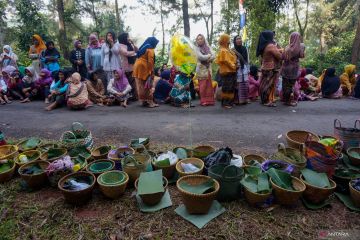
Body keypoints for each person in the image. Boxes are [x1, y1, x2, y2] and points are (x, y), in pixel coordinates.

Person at [256, 30, 283, 107]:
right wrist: (283, 52)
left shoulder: (265, 45)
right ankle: (267, 101)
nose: (273, 37)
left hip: (265, 67)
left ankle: (264, 100)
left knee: (264, 83)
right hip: (270, 68)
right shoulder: (271, 46)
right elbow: (279, 56)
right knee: (268, 85)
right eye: (272, 35)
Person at [133, 37, 159, 108]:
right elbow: (150, 61)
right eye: (156, 44)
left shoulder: (143, 47)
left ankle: (143, 101)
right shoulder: (150, 49)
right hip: (144, 67)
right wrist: (151, 71)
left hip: (137, 66)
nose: (156, 45)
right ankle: (150, 102)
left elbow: (137, 53)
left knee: (140, 85)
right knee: (148, 84)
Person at [281, 32, 305, 106]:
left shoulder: (287, 47)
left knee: (285, 85)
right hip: (294, 69)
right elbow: (302, 56)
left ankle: (286, 100)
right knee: (291, 85)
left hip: (286, 68)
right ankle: (289, 101)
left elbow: (282, 57)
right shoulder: (300, 47)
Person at [215, 34, 237, 109]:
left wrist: (234, 65)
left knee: (231, 87)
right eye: (227, 39)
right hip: (226, 72)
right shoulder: (223, 50)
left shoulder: (228, 50)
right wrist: (234, 66)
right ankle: (225, 103)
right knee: (227, 87)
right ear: (224, 40)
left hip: (231, 71)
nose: (229, 41)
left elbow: (232, 59)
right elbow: (227, 61)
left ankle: (230, 102)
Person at [194, 34, 215, 106]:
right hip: (201, 69)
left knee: (209, 85)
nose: (199, 40)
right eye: (198, 39)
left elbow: (214, 55)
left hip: (208, 68)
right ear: (196, 41)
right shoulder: (196, 48)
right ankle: (203, 101)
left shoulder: (208, 47)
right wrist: (209, 56)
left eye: (201, 39)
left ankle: (210, 101)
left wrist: (209, 57)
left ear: (203, 39)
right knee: (203, 85)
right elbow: (201, 57)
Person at [118, 32, 138, 101]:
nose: (128, 38)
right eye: (127, 37)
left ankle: (135, 96)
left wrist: (132, 43)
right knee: (126, 82)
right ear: (123, 38)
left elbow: (137, 50)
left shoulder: (129, 44)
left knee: (133, 82)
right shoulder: (120, 45)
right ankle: (127, 96)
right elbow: (126, 53)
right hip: (125, 67)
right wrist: (134, 52)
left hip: (132, 66)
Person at [232, 35, 250, 105]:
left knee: (244, 84)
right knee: (237, 84)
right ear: (235, 41)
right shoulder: (232, 50)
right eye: (237, 39)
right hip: (235, 68)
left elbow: (245, 59)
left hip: (243, 68)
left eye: (240, 39)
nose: (239, 40)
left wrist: (237, 53)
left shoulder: (244, 48)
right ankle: (236, 100)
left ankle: (244, 99)